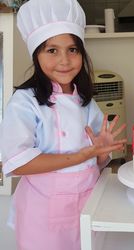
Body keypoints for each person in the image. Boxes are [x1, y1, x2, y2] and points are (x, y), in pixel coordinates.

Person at [0, 0, 127, 249]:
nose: (65, 60)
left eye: (72, 49)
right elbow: (20, 162)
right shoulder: (25, 102)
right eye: (52, 50)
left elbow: (97, 160)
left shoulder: (85, 100)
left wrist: (101, 153)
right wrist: (83, 154)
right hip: (43, 213)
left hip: (87, 204)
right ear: (36, 55)